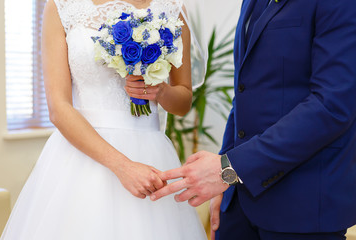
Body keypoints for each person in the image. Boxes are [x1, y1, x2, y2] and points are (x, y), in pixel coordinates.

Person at [1, 0, 207, 239]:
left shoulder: (171, 8)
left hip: (150, 154)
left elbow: (183, 101)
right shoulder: (62, 6)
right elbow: (59, 108)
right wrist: (123, 166)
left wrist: (161, 92)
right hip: (80, 158)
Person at [150, 0, 356, 239]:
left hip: (302, 207)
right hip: (237, 204)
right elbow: (245, 96)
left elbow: (331, 106)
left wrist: (230, 168)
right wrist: (225, 174)